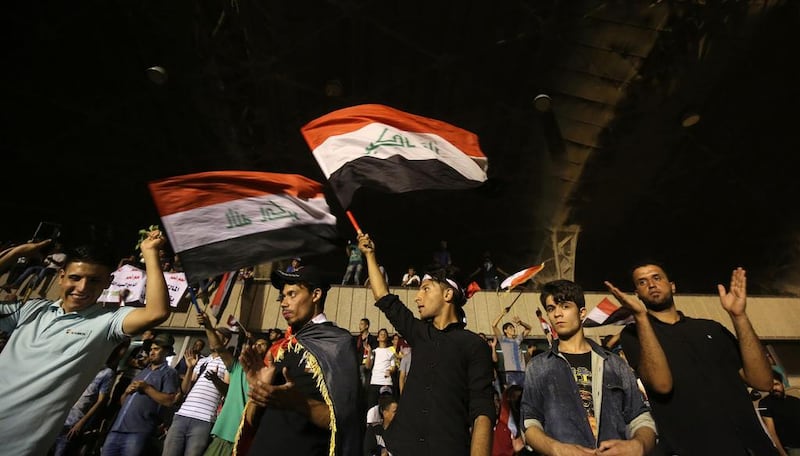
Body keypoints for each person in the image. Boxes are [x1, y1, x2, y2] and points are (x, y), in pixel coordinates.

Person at [0, 230, 171, 456]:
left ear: (108, 283)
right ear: (61, 276)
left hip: (20, 446)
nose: (82, 288)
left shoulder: (107, 322)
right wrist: (17, 253)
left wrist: (150, 253)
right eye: (75, 278)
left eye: (93, 280)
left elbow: (157, 312)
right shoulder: (32, 309)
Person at [605, 262, 778, 455]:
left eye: (656, 277)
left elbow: (763, 381)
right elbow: (662, 385)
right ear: (636, 294)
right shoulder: (634, 335)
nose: (651, 285)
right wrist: (641, 317)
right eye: (642, 282)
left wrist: (739, 316)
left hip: (755, 446)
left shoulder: (711, 328)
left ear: (672, 286)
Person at [359, 232, 496, 456]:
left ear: (448, 294)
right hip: (398, 448)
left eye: (425, 288)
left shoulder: (473, 345)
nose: (417, 297)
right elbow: (384, 297)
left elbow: (483, 410)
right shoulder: (418, 332)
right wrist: (370, 255)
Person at [520, 279, 656, 455]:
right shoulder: (538, 366)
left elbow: (640, 417)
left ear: (582, 312)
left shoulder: (614, 363)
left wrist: (639, 445)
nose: (557, 314)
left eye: (565, 306)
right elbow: (530, 422)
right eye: (551, 308)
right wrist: (556, 449)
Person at [237, 266, 361, 456]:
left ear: (316, 294)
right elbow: (254, 422)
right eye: (282, 296)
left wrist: (299, 403)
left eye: (292, 294)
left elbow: (345, 421)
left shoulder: (338, 344)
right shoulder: (282, 349)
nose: (283, 303)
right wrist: (259, 389)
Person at [102, 333, 181, 456]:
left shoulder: (169, 373)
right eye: (150, 349)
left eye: (156, 349)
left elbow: (169, 401)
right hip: (117, 428)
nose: (151, 352)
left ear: (166, 352)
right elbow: (124, 402)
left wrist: (146, 388)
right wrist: (126, 392)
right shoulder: (143, 372)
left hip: (138, 432)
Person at [52, 338, 131, 456]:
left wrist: (81, 422)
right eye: (122, 349)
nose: (122, 353)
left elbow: (100, 401)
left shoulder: (107, 373)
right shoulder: (87, 364)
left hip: (74, 419)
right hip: (59, 415)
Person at [162, 326, 231, 456]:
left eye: (214, 337)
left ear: (225, 341)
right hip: (182, 415)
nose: (211, 340)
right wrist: (189, 369)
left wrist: (216, 379)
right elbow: (185, 389)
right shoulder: (201, 361)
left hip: (204, 420)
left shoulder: (228, 364)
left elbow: (227, 392)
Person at [760, 371, 800, 456]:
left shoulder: (795, 400)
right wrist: (782, 454)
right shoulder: (765, 403)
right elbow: (771, 432)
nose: (774, 388)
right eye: (770, 385)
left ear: (783, 384)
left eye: (776, 384)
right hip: (792, 447)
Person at [491, 309, 532, 387]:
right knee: (512, 395)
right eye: (510, 327)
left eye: (513, 327)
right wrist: (502, 314)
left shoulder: (518, 340)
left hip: (522, 371)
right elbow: (494, 325)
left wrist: (521, 323)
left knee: (523, 394)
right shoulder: (503, 340)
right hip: (511, 372)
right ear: (505, 330)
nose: (513, 329)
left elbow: (529, 328)